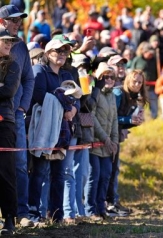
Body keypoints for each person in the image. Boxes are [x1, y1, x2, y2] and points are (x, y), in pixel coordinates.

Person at [28, 38, 79, 223]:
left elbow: (77, 98)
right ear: (48, 53)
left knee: (59, 174)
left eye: (65, 51)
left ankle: (56, 215)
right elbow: (40, 96)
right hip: (44, 127)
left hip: (63, 129)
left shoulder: (68, 75)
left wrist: (74, 109)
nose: (62, 54)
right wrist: (65, 108)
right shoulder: (39, 71)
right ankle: (33, 214)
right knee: (39, 172)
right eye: (58, 51)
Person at [0, 4, 36, 228]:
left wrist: (22, 107)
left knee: (18, 166)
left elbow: (28, 79)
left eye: (19, 20)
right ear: (2, 21)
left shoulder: (21, 47)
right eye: (13, 20)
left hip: (13, 115)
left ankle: (20, 213)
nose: (17, 24)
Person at [107, 70, 148, 217]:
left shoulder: (133, 97)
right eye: (134, 81)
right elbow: (111, 118)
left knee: (113, 171)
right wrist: (129, 120)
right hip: (107, 137)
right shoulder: (119, 93)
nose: (137, 84)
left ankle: (112, 202)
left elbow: (121, 122)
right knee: (108, 172)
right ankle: (108, 204)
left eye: (140, 82)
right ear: (128, 80)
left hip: (115, 137)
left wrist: (134, 121)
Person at [85, 62, 119, 221]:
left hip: (107, 145)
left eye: (112, 76)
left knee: (106, 175)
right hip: (94, 142)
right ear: (99, 77)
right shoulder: (95, 92)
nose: (110, 79)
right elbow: (91, 117)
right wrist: (105, 138)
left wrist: (115, 142)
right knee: (94, 176)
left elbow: (114, 121)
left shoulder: (112, 95)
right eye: (106, 76)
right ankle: (90, 210)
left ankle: (101, 208)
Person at [0, 28, 21, 235]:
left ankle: (9, 219)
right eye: (5, 40)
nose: (9, 43)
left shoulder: (13, 65)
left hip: (4, 123)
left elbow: (8, 91)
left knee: (6, 172)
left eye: (11, 41)